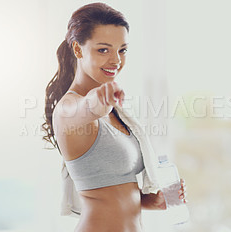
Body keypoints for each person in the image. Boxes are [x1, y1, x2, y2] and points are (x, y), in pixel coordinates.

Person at [42, 2, 187, 231]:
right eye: (103, 49)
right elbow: (87, 108)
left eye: (122, 50)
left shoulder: (116, 112)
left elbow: (112, 191)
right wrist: (98, 102)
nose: (116, 60)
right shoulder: (69, 108)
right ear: (78, 50)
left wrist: (151, 201)